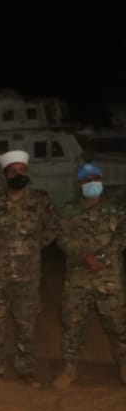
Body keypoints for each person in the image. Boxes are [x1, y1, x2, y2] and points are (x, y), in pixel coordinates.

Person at [0, 151, 56, 385]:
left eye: (22, 170)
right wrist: (0, 244)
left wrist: (32, 246)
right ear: (5, 175)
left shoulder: (40, 200)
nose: (19, 174)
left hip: (28, 273)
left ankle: (26, 369)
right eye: (13, 171)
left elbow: (52, 227)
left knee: (26, 322)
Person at [53, 163, 126, 389]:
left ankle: (124, 364)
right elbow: (61, 237)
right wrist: (84, 255)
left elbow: (122, 236)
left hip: (108, 275)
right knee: (72, 323)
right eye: (87, 180)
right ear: (79, 184)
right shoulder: (67, 210)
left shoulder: (116, 209)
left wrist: (102, 257)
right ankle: (69, 368)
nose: (92, 183)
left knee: (117, 323)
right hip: (78, 277)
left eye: (95, 178)